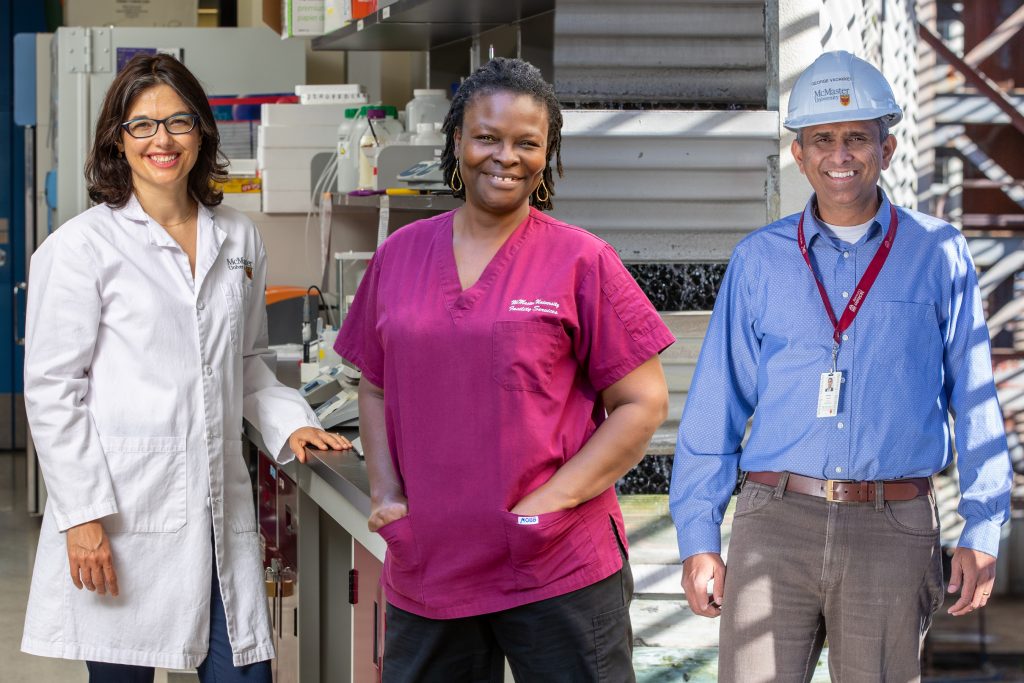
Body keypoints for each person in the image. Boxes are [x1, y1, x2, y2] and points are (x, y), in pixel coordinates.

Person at [670, 50, 1013, 681]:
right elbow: (715, 406)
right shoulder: (760, 260)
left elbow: (975, 397)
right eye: (822, 139)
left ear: (887, 145)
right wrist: (698, 537)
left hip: (892, 524)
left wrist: (984, 525)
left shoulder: (939, 253)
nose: (841, 155)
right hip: (774, 522)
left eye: (858, 137)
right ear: (798, 154)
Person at [335, 57, 675, 682]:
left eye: (527, 143)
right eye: (487, 137)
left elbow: (644, 402)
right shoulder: (400, 256)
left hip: (555, 562)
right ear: (457, 141)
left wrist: (548, 504)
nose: (505, 157)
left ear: (548, 155)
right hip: (431, 562)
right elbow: (376, 386)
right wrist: (386, 495)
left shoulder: (580, 260)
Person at [21, 53, 350, 682]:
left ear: (202, 130)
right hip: (122, 515)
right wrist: (83, 517)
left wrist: (290, 422)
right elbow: (53, 391)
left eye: (178, 122)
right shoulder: (81, 248)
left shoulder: (238, 236)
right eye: (142, 125)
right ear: (118, 139)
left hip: (217, 510)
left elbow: (246, 359)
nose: (162, 140)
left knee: (244, 673)